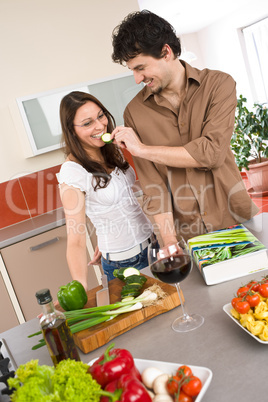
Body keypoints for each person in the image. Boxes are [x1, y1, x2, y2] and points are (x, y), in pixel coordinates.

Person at [110, 10, 259, 245]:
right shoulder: (135, 112)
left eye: (141, 68)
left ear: (166, 52)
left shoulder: (218, 85)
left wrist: (143, 150)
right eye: (133, 71)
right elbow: (153, 186)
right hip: (189, 233)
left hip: (235, 217)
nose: (137, 79)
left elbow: (211, 152)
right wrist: (170, 244)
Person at [57, 91, 154, 289]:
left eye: (101, 116)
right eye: (87, 123)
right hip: (123, 263)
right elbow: (75, 239)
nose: (100, 126)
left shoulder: (112, 149)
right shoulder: (72, 172)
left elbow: (121, 202)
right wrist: (81, 288)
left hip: (153, 245)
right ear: (71, 130)